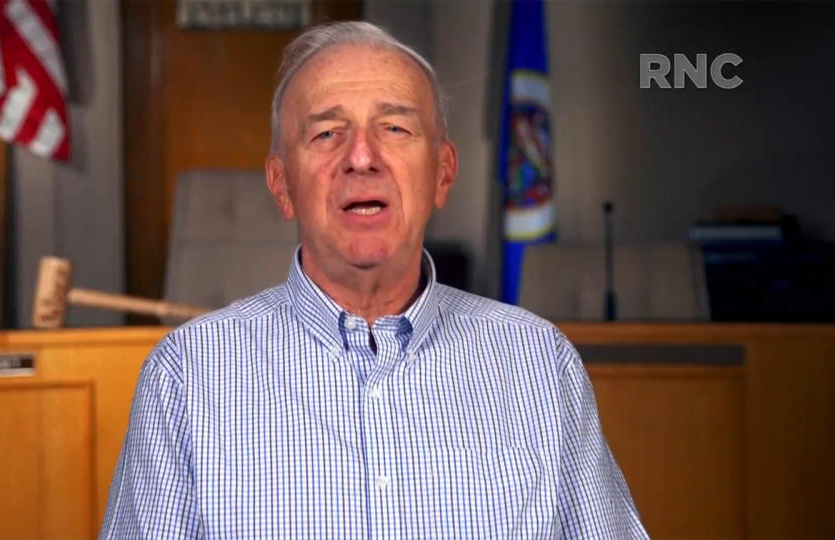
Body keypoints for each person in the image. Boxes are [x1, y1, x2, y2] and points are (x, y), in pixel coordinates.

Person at [101, 21, 648, 539]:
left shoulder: (539, 363)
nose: (361, 157)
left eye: (395, 128)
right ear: (281, 184)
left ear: (442, 173)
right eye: (327, 133)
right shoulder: (187, 375)